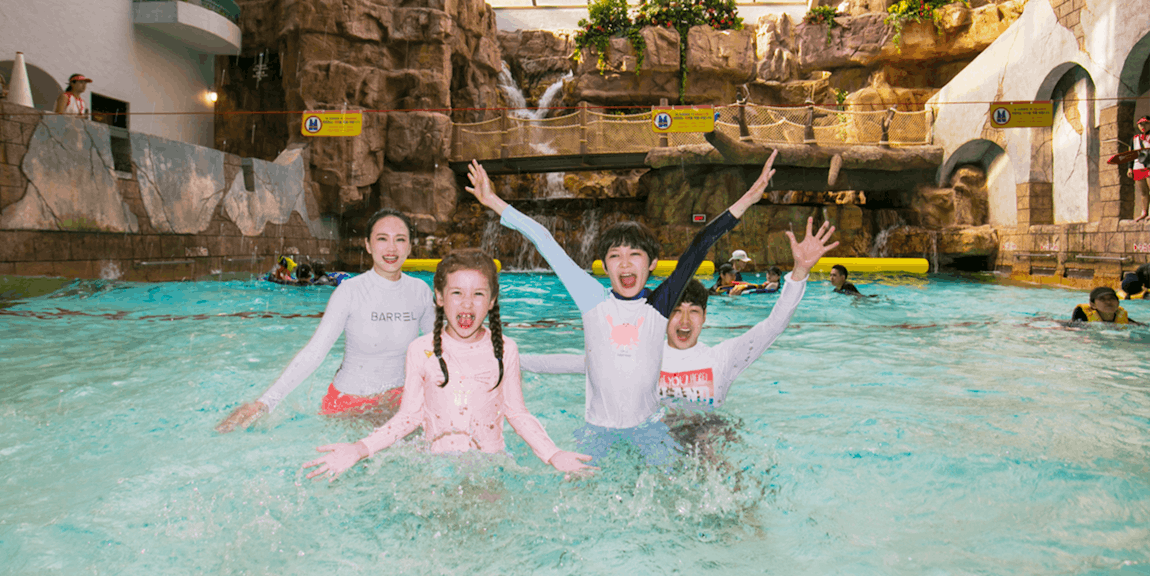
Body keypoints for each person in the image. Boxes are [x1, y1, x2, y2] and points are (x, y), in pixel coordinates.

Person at [466, 149, 779, 465]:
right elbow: (544, 240)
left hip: (649, 431)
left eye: (635, 255)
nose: (625, 264)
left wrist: (748, 199)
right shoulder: (592, 299)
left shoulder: (659, 306)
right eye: (616, 256)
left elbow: (700, 245)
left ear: (652, 263)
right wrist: (494, 201)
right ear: (604, 265)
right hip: (597, 432)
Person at [521, 216, 839, 461]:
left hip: (709, 437)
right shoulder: (641, 353)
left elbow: (773, 325)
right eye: (677, 311)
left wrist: (799, 273)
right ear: (662, 317)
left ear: (705, 318)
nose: (684, 320)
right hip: (658, 442)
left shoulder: (723, 358)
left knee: (721, 454)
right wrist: (505, 359)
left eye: (694, 312)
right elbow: (567, 363)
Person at [302, 249, 593, 480]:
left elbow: (517, 414)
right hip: (435, 469)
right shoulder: (421, 350)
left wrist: (553, 454)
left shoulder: (506, 350)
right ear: (439, 298)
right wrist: (359, 449)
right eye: (457, 293)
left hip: (490, 466)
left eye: (478, 294)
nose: (467, 304)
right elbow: (409, 417)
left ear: (492, 300)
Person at [216, 209, 436, 432]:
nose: (391, 248)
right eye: (382, 239)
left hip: (399, 401)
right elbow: (315, 351)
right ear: (368, 245)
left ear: (409, 247)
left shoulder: (420, 291)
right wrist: (266, 402)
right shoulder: (350, 291)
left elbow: (438, 350)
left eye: (400, 240)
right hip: (350, 406)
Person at [1072, 286, 1139, 324]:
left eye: (1112, 298)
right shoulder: (1081, 322)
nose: (1108, 302)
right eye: (1102, 299)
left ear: (1118, 303)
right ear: (1093, 305)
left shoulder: (1128, 322)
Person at [1131, 116, 1150, 221]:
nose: (1143, 126)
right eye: (1141, 124)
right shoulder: (1135, 139)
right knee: (1143, 192)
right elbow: (1131, 154)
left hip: (1149, 166)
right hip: (1138, 166)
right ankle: (1144, 212)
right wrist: (1130, 168)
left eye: (1146, 123)